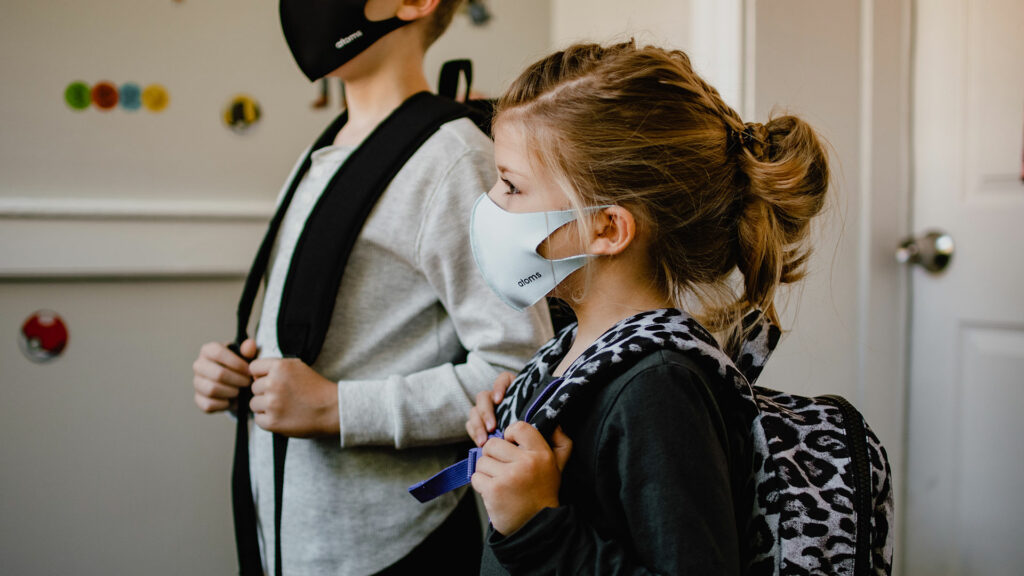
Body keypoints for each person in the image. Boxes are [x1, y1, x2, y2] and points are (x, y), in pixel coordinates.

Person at [191, 1, 553, 574]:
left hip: (390, 547)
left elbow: (520, 369)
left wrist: (336, 408)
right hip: (287, 537)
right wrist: (243, 378)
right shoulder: (323, 153)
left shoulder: (454, 160)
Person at [463, 40, 830, 574]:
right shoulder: (583, 347)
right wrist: (518, 408)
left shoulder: (658, 388)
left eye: (512, 186)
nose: (491, 203)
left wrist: (538, 526)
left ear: (607, 227)